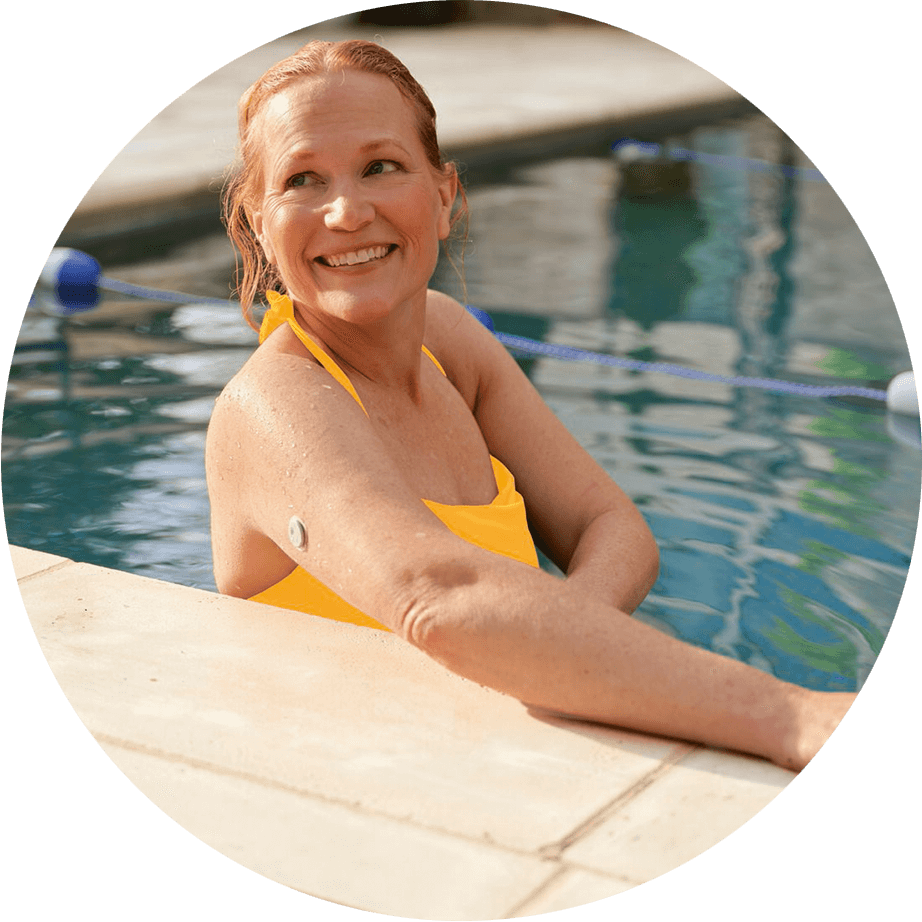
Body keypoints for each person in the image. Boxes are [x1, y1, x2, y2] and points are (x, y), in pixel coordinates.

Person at [206, 39, 855, 772]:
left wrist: (556, 655)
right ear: (259, 224)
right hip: (352, 780)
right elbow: (438, 601)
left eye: (380, 167)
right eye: (302, 180)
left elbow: (610, 524)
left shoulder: (447, 340)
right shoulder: (273, 402)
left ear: (444, 196)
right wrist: (792, 716)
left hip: (496, 751)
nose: (348, 211)